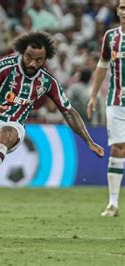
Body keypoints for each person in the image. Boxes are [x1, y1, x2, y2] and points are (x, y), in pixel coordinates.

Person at [0, 31, 105, 238]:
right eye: (29, 58)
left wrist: (89, 141)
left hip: (13, 126)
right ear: (22, 53)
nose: (33, 63)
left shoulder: (47, 82)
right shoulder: (4, 66)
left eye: (39, 60)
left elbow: (68, 111)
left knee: (6, 132)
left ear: (46, 58)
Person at [87, 0, 125, 218]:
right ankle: (112, 203)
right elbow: (102, 64)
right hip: (116, 101)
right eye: (122, 8)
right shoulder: (111, 37)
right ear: (118, 11)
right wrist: (93, 94)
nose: (124, 11)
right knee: (118, 148)